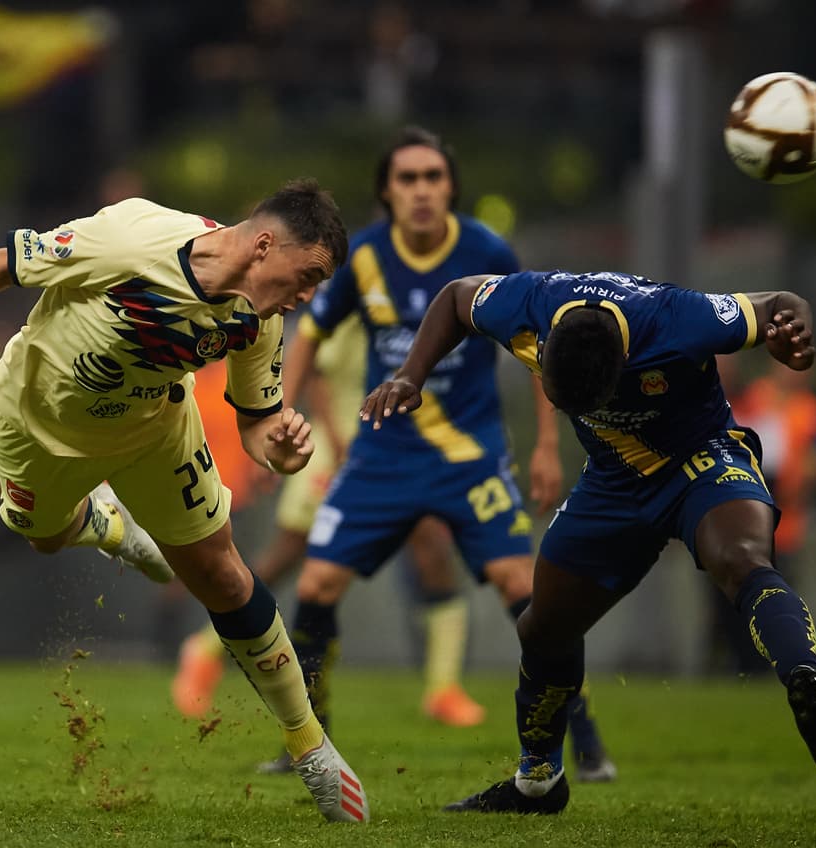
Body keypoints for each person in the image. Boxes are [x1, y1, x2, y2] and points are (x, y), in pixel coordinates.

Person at [0, 179, 371, 824]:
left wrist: (282, 447)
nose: (308, 296)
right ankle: (101, 523)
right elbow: (3, 264)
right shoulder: (135, 237)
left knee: (221, 572)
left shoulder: (258, 319)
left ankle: (311, 748)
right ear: (265, 244)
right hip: (36, 421)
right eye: (309, 275)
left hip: (155, 430)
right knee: (42, 535)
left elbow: (259, 418)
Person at [363, 270, 816, 814]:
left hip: (700, 461)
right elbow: (454, 298)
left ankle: (804, 677)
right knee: (543, 627)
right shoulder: (525, 303)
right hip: (613, 481)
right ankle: (539, 783)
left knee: (742, 559)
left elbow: (784, 299)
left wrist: (794, 338)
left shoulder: (679, 318)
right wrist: (411, 375)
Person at [252, 127, 616, 779]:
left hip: (469, 456)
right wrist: (279, 407)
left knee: (524, 588)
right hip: (381, 458)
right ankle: (308, 739)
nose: (421, 190)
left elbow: (540, 347)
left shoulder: (485, 251)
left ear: (450, 187)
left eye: (433, 177)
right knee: (314, 583)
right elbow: (310, 330)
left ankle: (585, 741)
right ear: (386, 193)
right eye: (407, 179)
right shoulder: (360, 255)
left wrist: (544, 448)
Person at [172, 312, 497, 732]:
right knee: (289, 554)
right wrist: (334, 440)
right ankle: (204, 649)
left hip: (399, 452)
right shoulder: (355, 300)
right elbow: (318, 374)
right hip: (338, 450)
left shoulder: (420, 304)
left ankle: (443, 688)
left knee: (432, 545)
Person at [709, 362, 816, 675]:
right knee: (730, 593)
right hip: (740, 516)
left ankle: (764, 664)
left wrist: (799, 487)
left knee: (773, 591)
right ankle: (735, 661)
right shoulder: (755, 396)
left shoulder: (811, 410)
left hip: (784, 521)